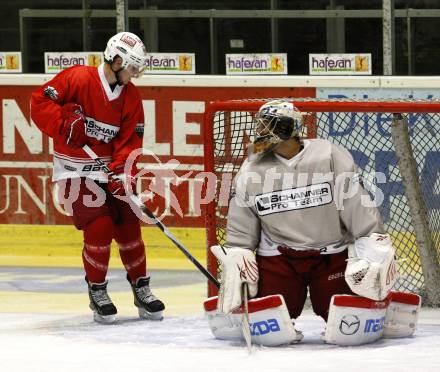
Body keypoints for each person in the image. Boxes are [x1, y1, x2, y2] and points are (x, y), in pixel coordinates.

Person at [209, 99, 401, 343]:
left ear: (288, 127)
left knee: (347, 324)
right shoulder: (252, 168)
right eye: (260, 125)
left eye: (268, 125)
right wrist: (240, 253)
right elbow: (243, 217)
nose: (260, 132)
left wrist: (372, 243)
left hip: (331, 255)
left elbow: (356, 204)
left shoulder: (329, 155)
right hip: (279, 256)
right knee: (270, 325)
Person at [30, 32, 165, 324]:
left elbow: (130, 140)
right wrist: (64, 124)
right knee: (100, 226)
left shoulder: (130, 96)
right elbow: (39, 102)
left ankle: (141, 287)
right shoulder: (77, 78)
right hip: (76, 170)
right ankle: (97, 290)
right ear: (116, 60)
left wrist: (121, 170)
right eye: (132, 67)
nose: (135, 74)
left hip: (110, 172)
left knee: (129, 226)